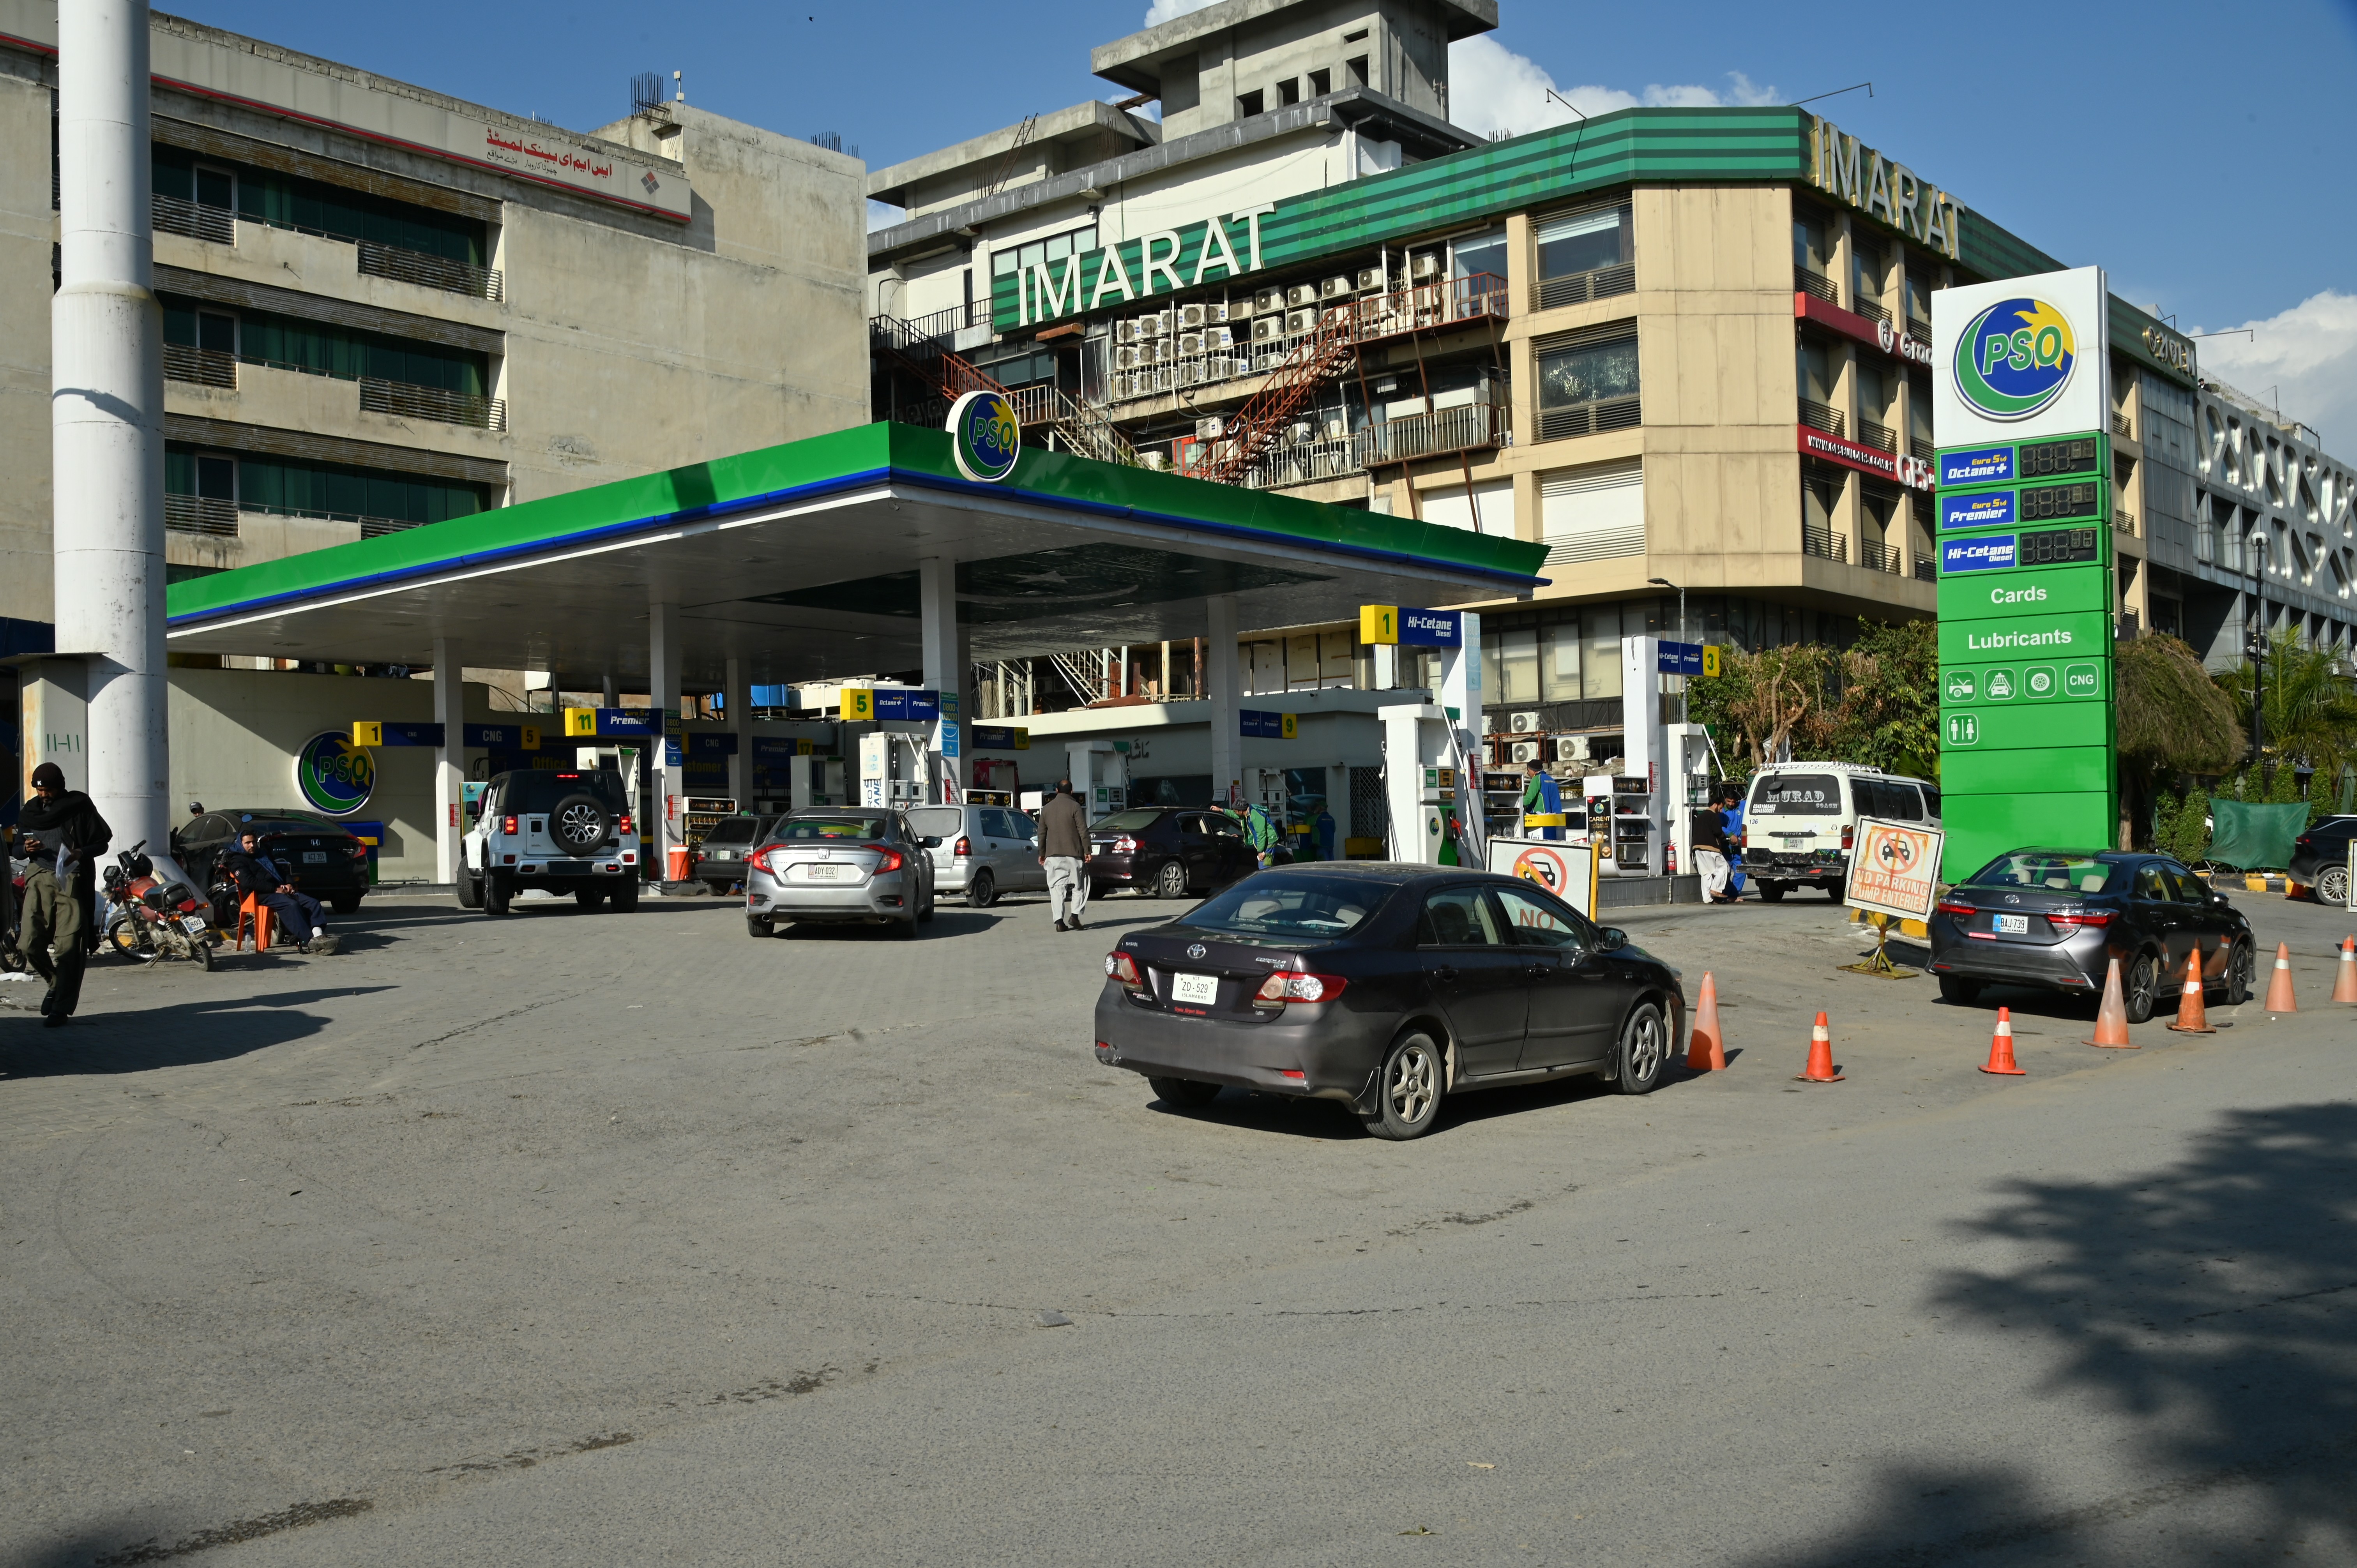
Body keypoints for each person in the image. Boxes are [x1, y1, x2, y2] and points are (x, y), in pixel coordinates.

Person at [17, 762, 110, 1026]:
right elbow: (16, 851)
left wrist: (81, 852)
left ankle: (62, 1007)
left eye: (48, 790)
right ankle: (55, 982)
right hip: (39, 877)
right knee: (29, 943)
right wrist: (26, 848)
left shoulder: (79, 807)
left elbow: (102, 842)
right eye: (40, 790)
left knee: (69, 946)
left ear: (60, 787)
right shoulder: (30, 813)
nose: (44, 795)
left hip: (71, 878)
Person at [221, 830, 338, 954]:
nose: (252, 845)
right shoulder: (237, 861)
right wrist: (275, 889)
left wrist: (289, 884)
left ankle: (318, 936)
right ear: (241, 844)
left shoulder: (262, 854)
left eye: (254, 842)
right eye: (248, 843)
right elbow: (249, 882)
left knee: (313, 903)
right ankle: (308, 941)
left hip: (279, 889)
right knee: (291, 905)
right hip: (259, 895)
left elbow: (280, 870)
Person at [1036, 778, 1090, 932]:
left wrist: (1042, 853)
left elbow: (1041, 834)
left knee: (1056, 888)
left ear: (1057, 791)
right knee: (1080, 885)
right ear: (1072, 792)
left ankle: (1059, 922)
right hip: (1074, 854)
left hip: (1053, 855)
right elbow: (1083, 830)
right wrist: (1088, 851)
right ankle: (1075, 916)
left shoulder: (1047, 809)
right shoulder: (1075, 806)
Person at [1689, 799, 1732, 904]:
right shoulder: (1714, 816)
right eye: (1721, 807)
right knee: (1724, 868)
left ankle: (1708, 898)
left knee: (1706, 873)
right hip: (1711, 847)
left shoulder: (1700, 817)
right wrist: (1724, 837)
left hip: (1698, 848)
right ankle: (1716, 889)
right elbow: (1718, 832)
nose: (1721, 810)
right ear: (1715, 805)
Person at [1520, 759, 1564, 840]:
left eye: (1528, 770)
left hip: (1541, 820)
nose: (1528, 773)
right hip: (1556, 820)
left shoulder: (1537, 779)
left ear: (1533, 771)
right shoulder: (1551, 780)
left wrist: (1517, 804)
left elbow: (1528, 799)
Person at [1718, 782, 1748, 899]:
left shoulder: (1742, 806)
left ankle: (1734, 895)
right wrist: (1730, 835)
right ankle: (1724, 893)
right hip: (1726, 846)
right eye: (1729, 801)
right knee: (1725, 871)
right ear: (1725, 800)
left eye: (1733, 802)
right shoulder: (1722, 812)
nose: (1731, 804)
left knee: (1741, 871)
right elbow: (1720, 827)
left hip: (1739, 847)